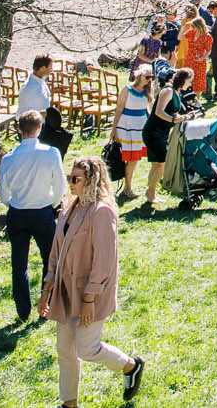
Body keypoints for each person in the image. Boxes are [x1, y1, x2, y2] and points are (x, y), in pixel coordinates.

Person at [42, 156, 144, 406]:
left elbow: (104, 262)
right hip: (65, 292)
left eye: (75, 179)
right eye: (69, 178)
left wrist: (89, 298)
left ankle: (131, 367)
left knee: (87, 348)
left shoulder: (102, 211)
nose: (71, 184)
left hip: (90, 295)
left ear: (91, 180)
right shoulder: (69, 206)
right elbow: (56, 250)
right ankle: (69, 403)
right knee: (65, 349)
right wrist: (48, 287)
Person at [0, 109, 67, 321]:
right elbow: (60, 185)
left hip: (18, 213)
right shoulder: (51, 153)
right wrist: (53, 203)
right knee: (50, 259)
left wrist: (15, 202)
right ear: (39, 129)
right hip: (43, 212)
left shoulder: (9, 159)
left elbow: (3, 194)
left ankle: (23, 309)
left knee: (19, 263)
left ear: (20, 130)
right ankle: (46, 303)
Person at [142, 68, 184, 206]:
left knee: (157, 164)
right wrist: (173, 120)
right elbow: (159, 112)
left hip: (161, 132)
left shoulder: (175, 92)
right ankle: (151, 193)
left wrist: (179, 117)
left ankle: (150, 192)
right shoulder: (167, 90)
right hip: (154, 132)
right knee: (161, 163)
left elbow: (170, 111)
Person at [113, 65, 152, 203]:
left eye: (150, 77)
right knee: (131, 158)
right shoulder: (127, 89)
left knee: (134, 159)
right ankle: (127, 188)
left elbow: (147, 110)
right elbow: (119, 109)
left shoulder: (147, 92)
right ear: (139, 76)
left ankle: (127, 187)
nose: (149, 80)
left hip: (140, 128)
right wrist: (114, 129)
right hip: (127, 127)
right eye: (147, 76)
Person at [178, 9, 213, 96]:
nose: (192, 28)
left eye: (193, 26)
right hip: (189, 59)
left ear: (199, 26)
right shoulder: (191, 32)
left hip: (199, 62)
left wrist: (202, 58)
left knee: (198, 83)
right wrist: (183, 27)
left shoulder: (207, 36)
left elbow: (209, 50)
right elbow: (179, 38)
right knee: (186, 79)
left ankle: (197, 100)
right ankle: (187, 99)